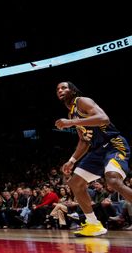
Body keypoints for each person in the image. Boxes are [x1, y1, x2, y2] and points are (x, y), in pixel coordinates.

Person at [55, 81, 132, 237]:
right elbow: (84, 140)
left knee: (113, 180)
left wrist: (71, 122)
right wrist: (72, 160)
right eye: (57, 89)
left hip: (113, 145)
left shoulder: (82, 101)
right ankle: (94, 225)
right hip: (97, 150)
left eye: (64, 87)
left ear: (73, 90)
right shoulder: (71, 113)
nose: (60, 90)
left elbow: (103, 118)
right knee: (75, 183)